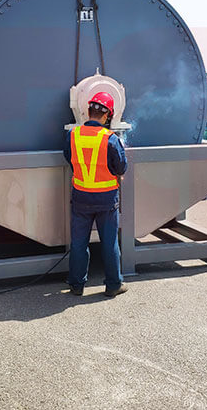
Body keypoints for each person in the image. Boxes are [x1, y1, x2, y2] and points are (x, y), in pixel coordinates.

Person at [63, 91, 128, 297]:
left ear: (87, 111)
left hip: (81, 197)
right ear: (108, 115)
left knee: (79, 243)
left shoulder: (73, 135)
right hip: (106, 200)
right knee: (109, 244)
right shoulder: (110, 139)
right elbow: (121, 168)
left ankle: (76, 285)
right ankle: (113, 285)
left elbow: (69, 157)